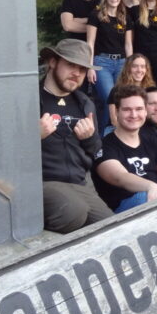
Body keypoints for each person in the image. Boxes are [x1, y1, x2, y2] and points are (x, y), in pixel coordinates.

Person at [39, 39, 113, 233]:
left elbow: (97, 151)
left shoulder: (85, 104)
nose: (76, 73)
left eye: (82, 69)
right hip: (43, 183)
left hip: (79, 183)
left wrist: (89, 138)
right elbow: (6, 154)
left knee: (111, 226)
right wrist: (34, 137)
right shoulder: (30, 99)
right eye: (71, 65)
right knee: (73, 211)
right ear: (53, 62)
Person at [93, 85, 157, 212]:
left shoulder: (152, 141)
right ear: (116, 112)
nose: (134, 115)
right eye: (127, 109)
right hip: (125, 212)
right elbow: (120, 177)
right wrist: (150, 186)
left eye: (139, 109)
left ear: (145, 112)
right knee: (144, 197)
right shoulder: (103, 146)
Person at [86, 0, 128, 132]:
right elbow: (90, 43)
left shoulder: (124, 17)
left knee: (120, 101)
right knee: (108, 98)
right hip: (101, 62)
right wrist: (90, 67)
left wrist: (129, 66)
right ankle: (101, 139)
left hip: (122, 62)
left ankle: (116, 136)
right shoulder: (96, 15)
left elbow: (128, 44)